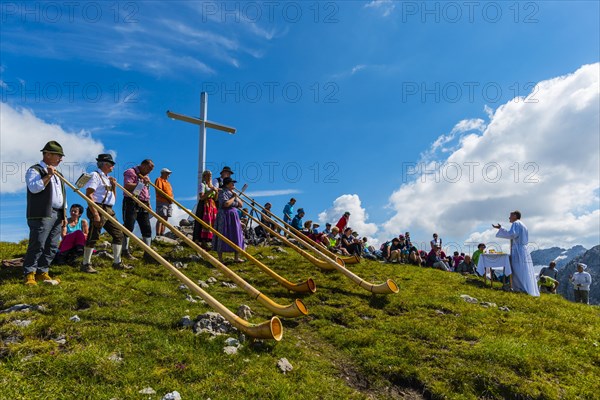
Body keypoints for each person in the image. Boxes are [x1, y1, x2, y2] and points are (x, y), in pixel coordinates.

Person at [23, 141, 67, 285]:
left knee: (52, 245)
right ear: (47, 155)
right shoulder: (34, 170)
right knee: (38, 243)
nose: (60, 159)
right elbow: (34, 188)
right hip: (42, 213)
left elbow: (61, 196)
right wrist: (48, 176)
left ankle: (43, 272)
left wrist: (64, 215)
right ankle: (30, 273)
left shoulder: (58, 174)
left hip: (57, 213)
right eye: (58, 156)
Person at [81, 154, 130, 273]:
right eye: (111, 164)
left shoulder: (108, 178)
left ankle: (117, 262)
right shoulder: (95, 175)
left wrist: (113, 187)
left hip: (109, 209)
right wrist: (96, 214)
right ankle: (85, 264)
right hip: (98, 207)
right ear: (105, 164)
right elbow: (89, 195)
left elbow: (112, 199)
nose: (113, 166)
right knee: (94, 235)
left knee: (119, 234)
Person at [493, 210, 539, 297]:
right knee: (524, 269)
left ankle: (520, 288)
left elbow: (512, 234)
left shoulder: (516, 223)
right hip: (523, 249)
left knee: (518, 269)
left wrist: (501, 229)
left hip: (518, 250)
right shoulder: (523, 225)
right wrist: (501, 228)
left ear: (515, 215)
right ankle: (526, 288)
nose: (509, 218)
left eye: (510, 216)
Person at [122, 159, 154, 261]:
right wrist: (140, 183)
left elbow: (146, 190)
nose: (149, 172)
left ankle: (148, 252)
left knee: (146, 227)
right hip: (131, 201)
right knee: (129, 225)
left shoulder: (146, 176)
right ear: (143, 165)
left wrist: (148, 203)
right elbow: (127, 186)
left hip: (143, 202)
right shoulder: (131, 172)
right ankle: (124, 250)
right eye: (148, 169)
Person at [212, 177, 245, 263]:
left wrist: (235, 197)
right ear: (227, 184)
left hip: (233, 216)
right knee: (222, 233)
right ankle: (220, 258)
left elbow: (241, 204)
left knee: (236, 234)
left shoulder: (232, 193)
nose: (233, 185)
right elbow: (226, 204)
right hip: (224, 215)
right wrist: (234, 198)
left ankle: (236, 257)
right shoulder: (222, 192)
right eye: (232, 183)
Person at [193, 170, 218, 248]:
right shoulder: (202, 185)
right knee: (202, 221)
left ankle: (208, 239)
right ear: (204, 176)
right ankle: (199, 240)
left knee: (211, 222)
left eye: (210, 175)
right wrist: (211, 190)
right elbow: (202, 197)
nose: (209, 176)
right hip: (204, 204)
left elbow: (215, 198)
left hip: (212, 205)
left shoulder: (211, 185)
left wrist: (216, 192)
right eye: (207, 175)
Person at [154, 168, 173, 237]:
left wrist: (170, 199)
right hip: (162, 201)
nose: (168, 175)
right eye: (167, 173)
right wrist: (167, 198)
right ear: (163, 173)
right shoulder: (159, 180)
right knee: (161, 218)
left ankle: (162, 234)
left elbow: (170, 193)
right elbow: (159, 191)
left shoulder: (168, 183)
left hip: (168, 202)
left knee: (166, 218)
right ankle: (158, 234)